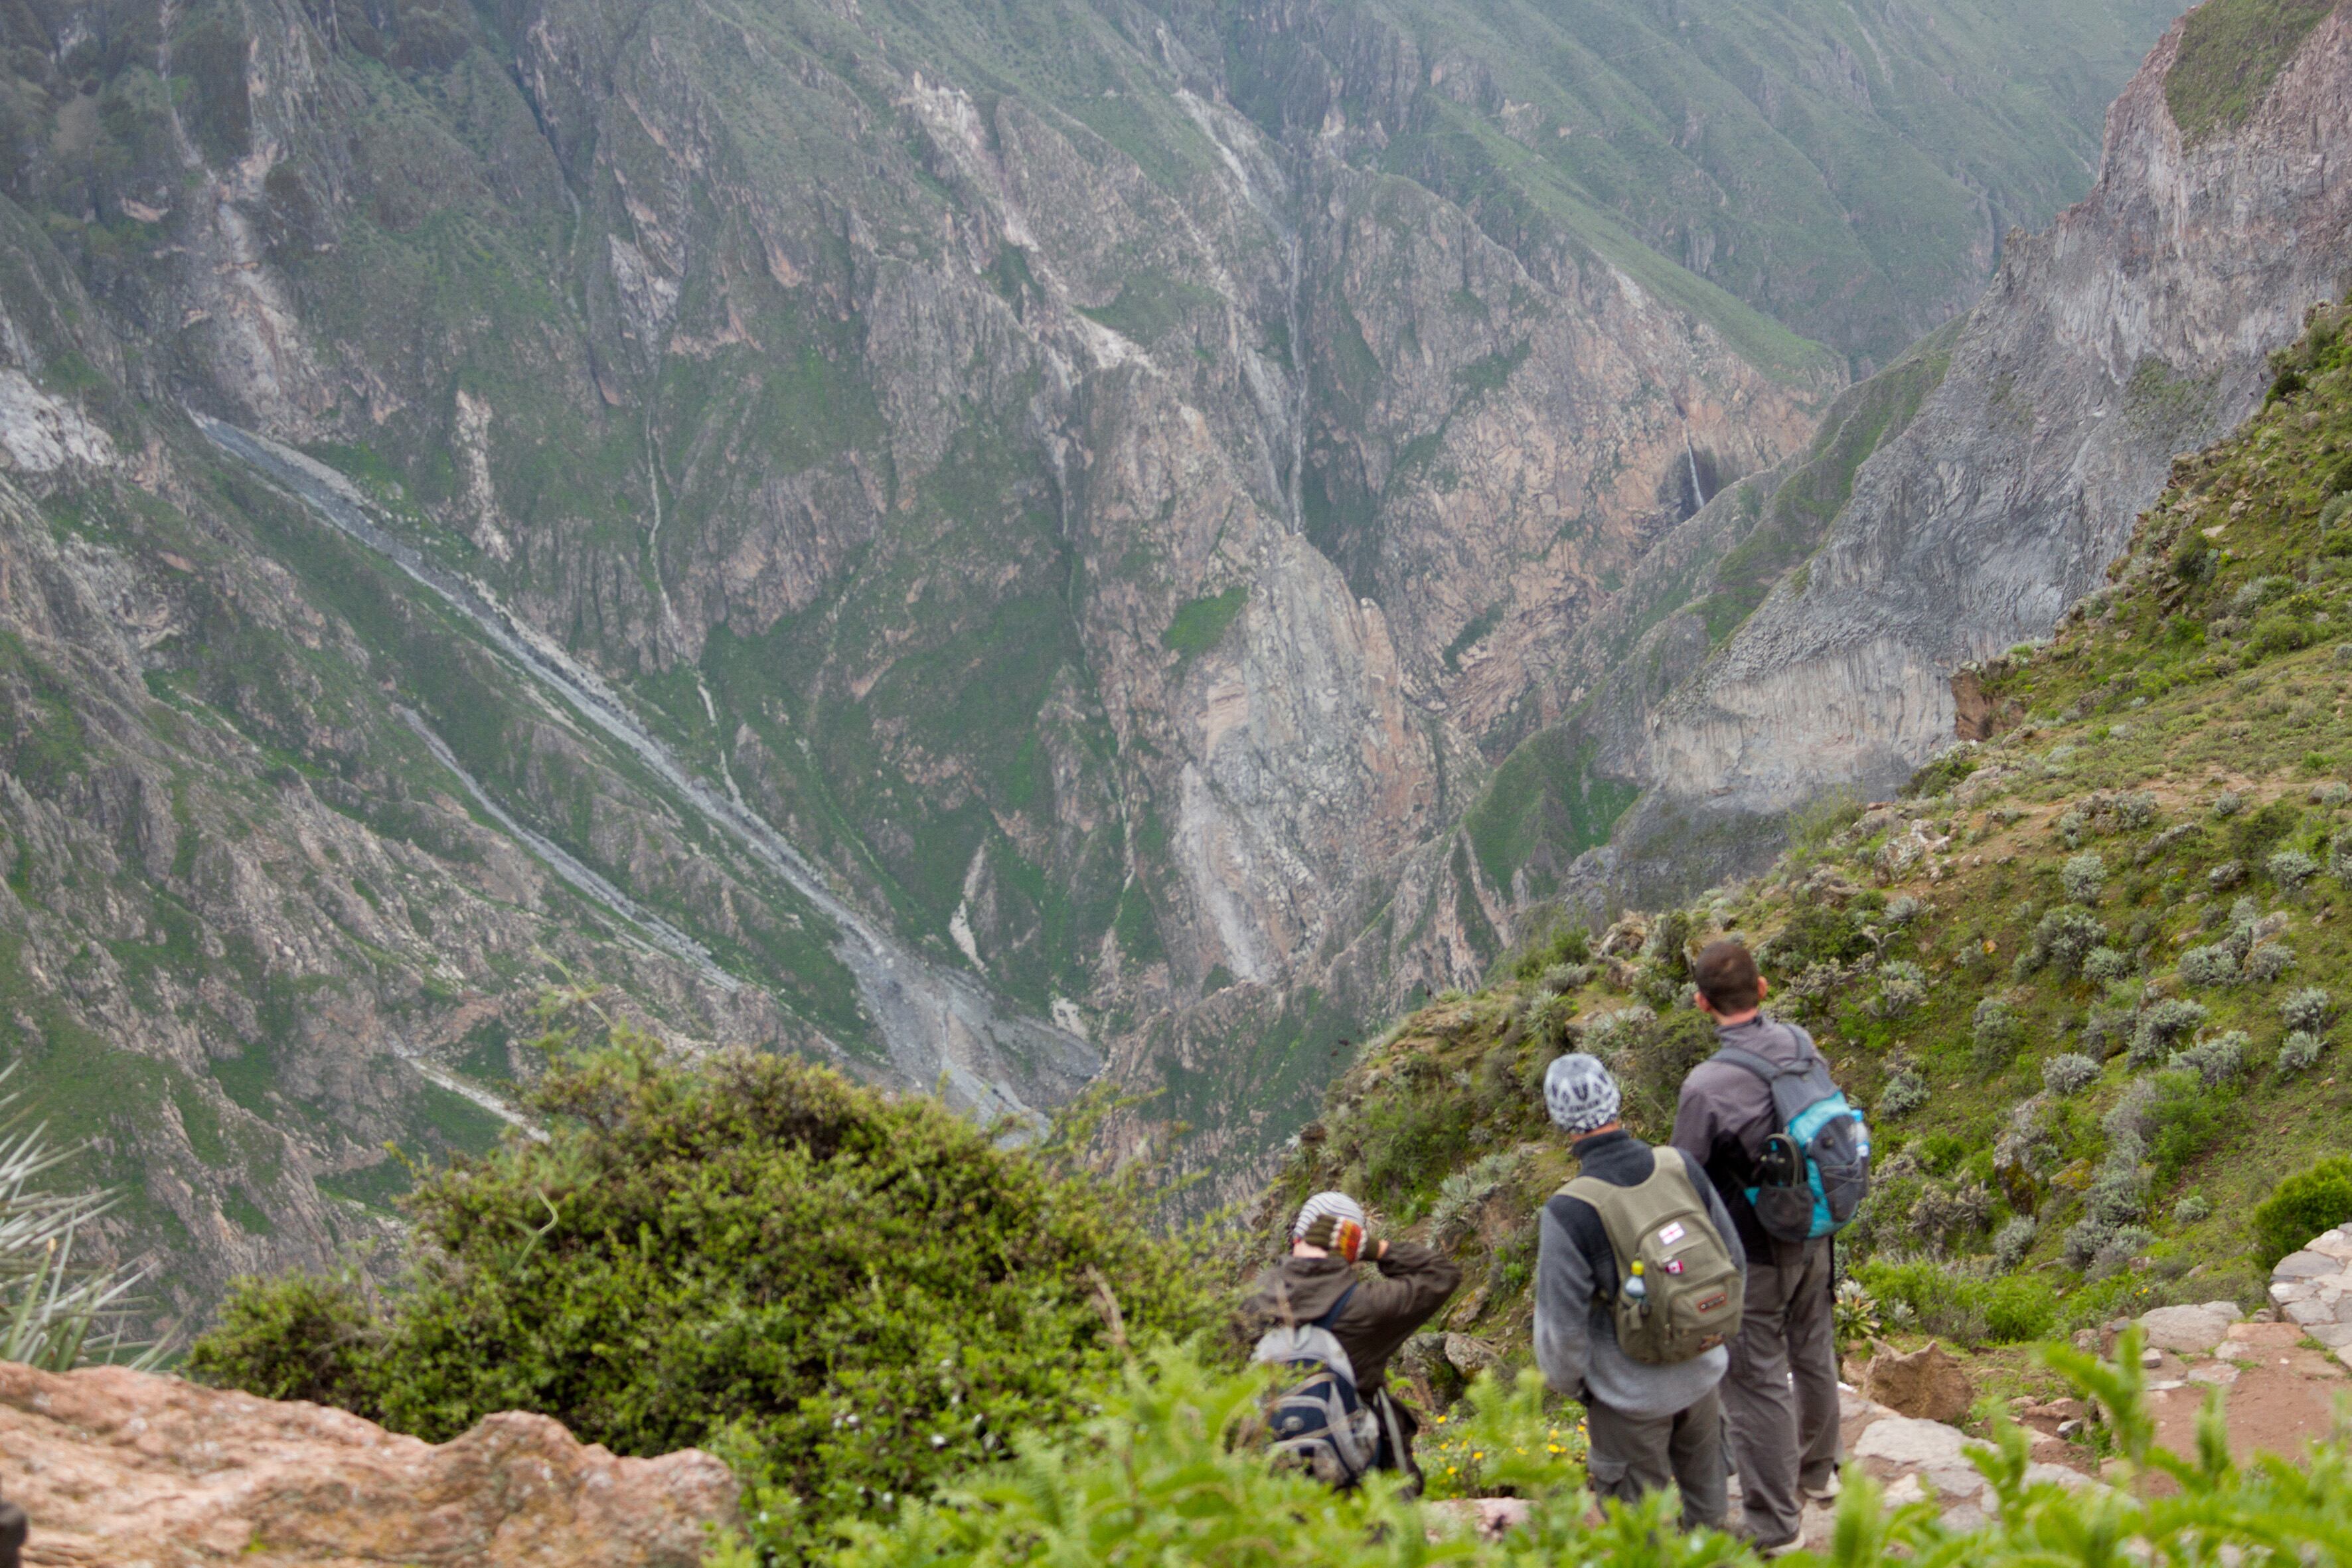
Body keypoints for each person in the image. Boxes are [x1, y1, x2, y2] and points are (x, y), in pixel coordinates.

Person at [1674, 939, 1843, 1555]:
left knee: (1756, 1383)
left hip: (1753, 1253)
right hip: (1816, 1231)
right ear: (1763, 988)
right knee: (1815, 1348)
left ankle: (1775, 1528)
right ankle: (1819, 1473)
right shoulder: (1801, 1045)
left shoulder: (1705, 1086)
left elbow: (1683, 1178)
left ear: (1701, 1003)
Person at [1534, 1052, 1745, 1531]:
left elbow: (1559, 1336)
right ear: (1615, 1098)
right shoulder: (1680, 1166)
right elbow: (1733, 1260)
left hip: (1628, 1400)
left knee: (1643, 1538)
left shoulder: (1568, 1211)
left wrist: (1584, 1389)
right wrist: (1711, 1334)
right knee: (1710, 1520)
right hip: (1703, 1375)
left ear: (1559, 1120)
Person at [1239, 1190, 1460, 1490]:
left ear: (1295, 1240)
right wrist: (1378, 1249)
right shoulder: (1366, 1307)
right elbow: (1441, 1275)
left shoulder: (1250, 1306)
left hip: (1274, 1484)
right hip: (1362, 1481)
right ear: (1351, 1251)